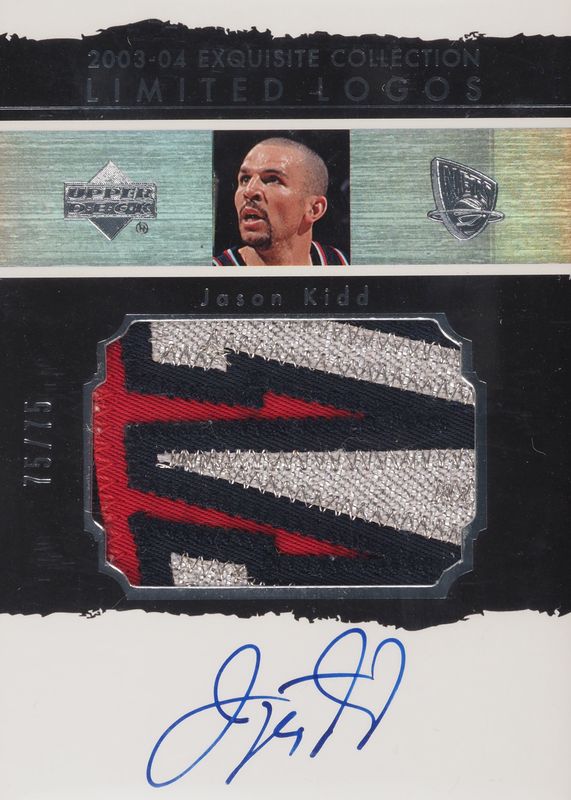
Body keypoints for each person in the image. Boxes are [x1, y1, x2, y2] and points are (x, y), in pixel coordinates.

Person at [213, 137, 348, 266]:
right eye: (245, 179)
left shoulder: (342, 264)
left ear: (314, 209)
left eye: (273, 179)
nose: (249, 191)